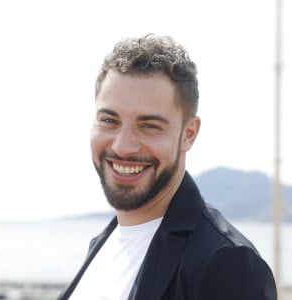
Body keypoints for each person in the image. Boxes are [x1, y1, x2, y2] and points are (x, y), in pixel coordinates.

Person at [58, 34, 277, 300]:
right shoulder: (104, 244)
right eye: (109, 120)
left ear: (189, 134)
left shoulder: (227, 263)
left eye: (149, 126)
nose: (123, 146)